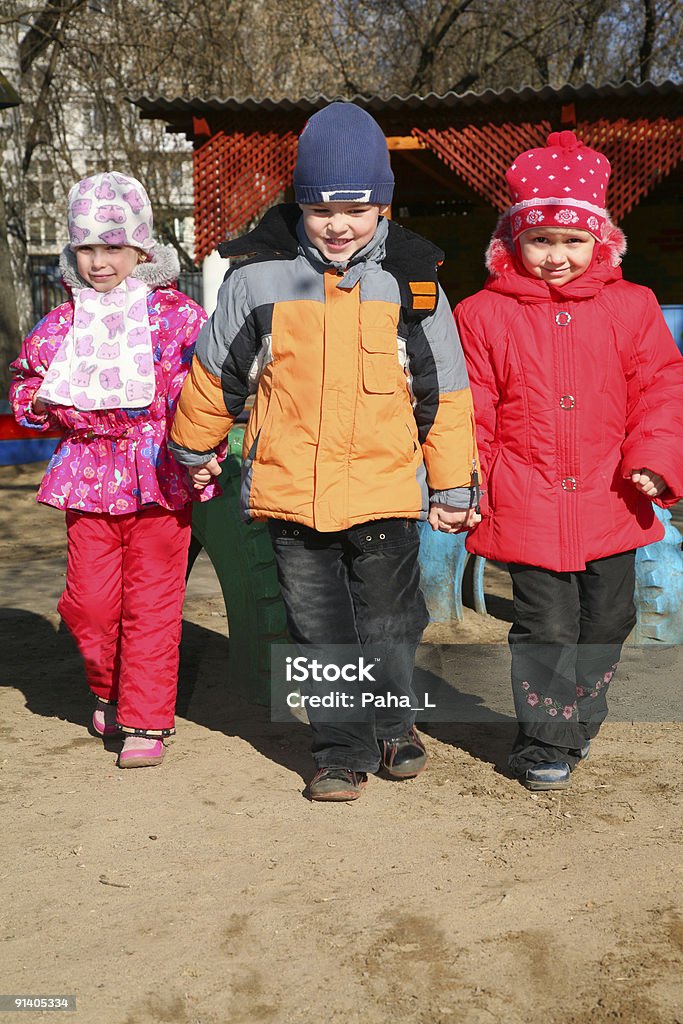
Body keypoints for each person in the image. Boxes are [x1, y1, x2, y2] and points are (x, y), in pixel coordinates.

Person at [169, 101, 480, 801]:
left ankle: (394, 724)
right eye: (320, 210)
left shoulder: (416, 283)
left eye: (357, 210)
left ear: (383, 209)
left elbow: (446, 397)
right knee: (318, 633)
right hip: (291, 497)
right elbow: (214, 377)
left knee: (391, 622)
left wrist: (454, 486)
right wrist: (193, 449)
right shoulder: (256, 280)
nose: (338, 226)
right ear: (300, 207)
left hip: (385, 494)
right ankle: (339, 750)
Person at [454, 130, 683, 791]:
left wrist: (654, 457)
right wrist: (470, 483)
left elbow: (660, 389)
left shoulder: (631, 306)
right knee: (545, 624)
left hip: (613, 493)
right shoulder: (481, 313)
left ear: (600, 242)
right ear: (512, 242)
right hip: (524, 495)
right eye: (540, 240)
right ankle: (540, 743)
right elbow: (472, 410)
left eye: (572, 241)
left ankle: (575, 711)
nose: (556, 257)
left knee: (610, 618)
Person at [9, 171, 218, 768]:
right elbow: (25, 388)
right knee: (91, 603)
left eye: (113, 247)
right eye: (87, 248)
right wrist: (42, 403)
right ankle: (108, 685)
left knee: (151, 604)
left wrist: (205, 455)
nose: (99, 262)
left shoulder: (175, 316)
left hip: (158, 473)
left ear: (141, 248)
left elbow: (207, 391)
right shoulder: (61, 323)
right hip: (86, 475)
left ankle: (146, 721)